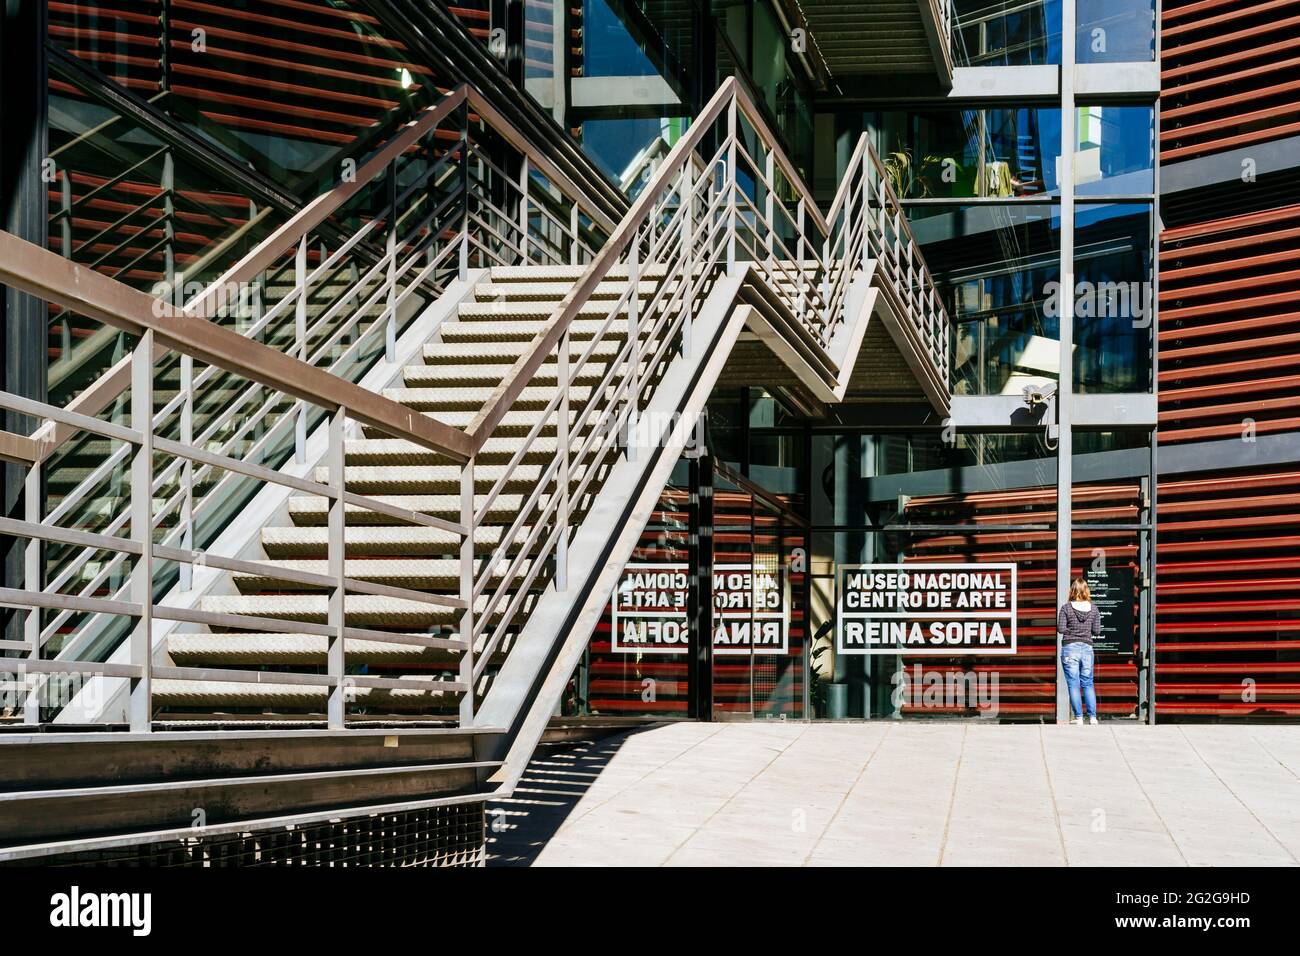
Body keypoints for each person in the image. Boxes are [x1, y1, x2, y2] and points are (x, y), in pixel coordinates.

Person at [1058, 576, 1102, 725]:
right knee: (1088, 683)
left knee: (1073, 683)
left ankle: (1078, 718)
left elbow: (1061, 628)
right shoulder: (1094, 608)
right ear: (1086, 590)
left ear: (1073, 590)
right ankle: (1093, 717)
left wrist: (1072, 629)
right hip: (1087, 648)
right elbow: (1096, 630)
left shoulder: (1066, 608)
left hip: (1070, 647)